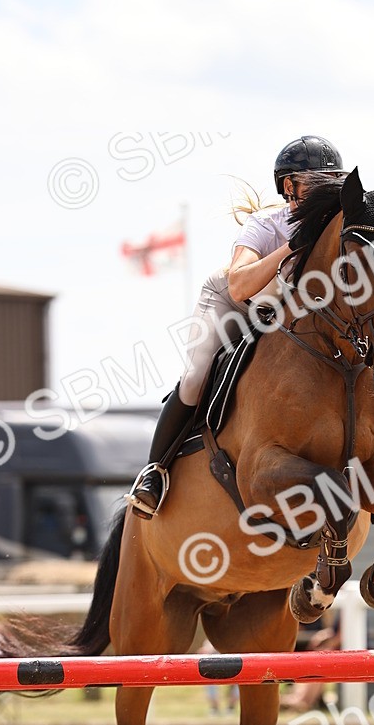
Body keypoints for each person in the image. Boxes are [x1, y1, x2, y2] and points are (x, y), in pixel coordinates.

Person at [126, 135, 345, 519]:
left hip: (284, 318)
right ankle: (154, 473)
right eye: (315, 184)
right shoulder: (267, 224)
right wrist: (293, 245)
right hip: (234, 302)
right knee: (196, 378)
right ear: (289, 188)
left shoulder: (340, 232)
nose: (325, 194)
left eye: (332, 185)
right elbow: (240, 283)